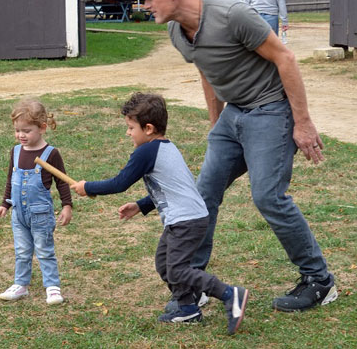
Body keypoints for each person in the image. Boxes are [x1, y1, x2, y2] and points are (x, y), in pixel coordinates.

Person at [126, 0, 337, 313]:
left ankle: (319, 280)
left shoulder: (231, 14)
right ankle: (193, 282)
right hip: (233, 116)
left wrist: (302, 123)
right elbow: (208, 71)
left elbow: (285, 58)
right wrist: (216, 124)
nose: (144, 5)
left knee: (268, 197)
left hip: (270, 110)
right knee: (201, 195)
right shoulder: (178, 32)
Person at [71, 93, 248, 334]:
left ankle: (230, 294)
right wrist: (141, 205)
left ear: (149, 128)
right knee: (165, 264)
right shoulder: (166, 147)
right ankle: (188, 309)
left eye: (131, 128)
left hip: (186, 220)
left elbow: (120, 182)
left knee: (177, 269)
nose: (128, 133)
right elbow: (171, 189)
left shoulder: (147, 151)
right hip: (189, 217)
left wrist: (86, 187)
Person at [0, 99, 72, 305]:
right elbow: (11, 180)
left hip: (40, 214)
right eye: (17, 131)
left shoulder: (50, 154)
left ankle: (52, 287)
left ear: (42, 128)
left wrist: (67, 206)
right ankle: (21, 285)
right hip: (19, 214)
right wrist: (4, 204)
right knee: (22, 251)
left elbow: (62, 182)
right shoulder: (16, 152)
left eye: (26, 131)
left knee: (44, 250)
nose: (21, 135)